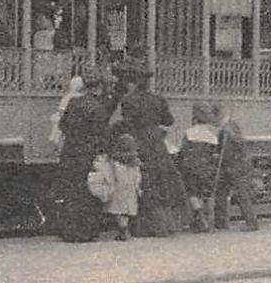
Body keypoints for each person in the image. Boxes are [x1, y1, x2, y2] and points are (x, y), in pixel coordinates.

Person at [113, 60, 183, 236]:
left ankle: (148, 227)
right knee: (162, 181)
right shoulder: (158, 99)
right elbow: (169, 121)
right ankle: (168, 225)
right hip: (157, 143)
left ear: (133, 82)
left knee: (145, 182)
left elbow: (127, 123)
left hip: (140, 142)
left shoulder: (129, 100)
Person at [52, 65, 111, 242]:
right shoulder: (98, 108)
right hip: (87, 154)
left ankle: (69, 231)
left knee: (71, 192)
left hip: (70, 151)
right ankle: (85, 231)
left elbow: (63, 125)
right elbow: (101, 134)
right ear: (99, 87)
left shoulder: (73, 102)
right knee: (88, 193)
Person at [212, 103, 259, 231]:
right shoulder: (228, 127)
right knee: (222, 191)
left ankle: (251, 223)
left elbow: (236, 145)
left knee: (241, 193)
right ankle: (221, 222)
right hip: (233, 165)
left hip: (237, 165)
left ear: (217, 116)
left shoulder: (228, 128)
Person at [176, 103, 221, 232]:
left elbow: (183, 152)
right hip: (207, 169)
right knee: (207, 195)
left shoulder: (189, 133)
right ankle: (210, 223)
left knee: (193, 194)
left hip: (191, 169)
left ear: (194, 119)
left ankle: (201, 219)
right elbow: (215, 156)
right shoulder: (212, 136)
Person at [99, 134, 143, 241]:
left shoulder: (115, 162)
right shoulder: (135, 163)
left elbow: (110, 174)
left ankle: (123, 228)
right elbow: (138, 177)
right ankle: (124, 228)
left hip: (119, 188)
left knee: (118, 210)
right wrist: (137, 187)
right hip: (130, 189)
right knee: (127, 210)